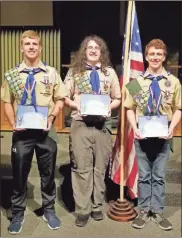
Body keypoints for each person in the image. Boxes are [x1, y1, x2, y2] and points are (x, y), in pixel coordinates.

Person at [1, 30, 68, 234]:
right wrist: (13, 123)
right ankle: (18, 212)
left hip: (46, 132)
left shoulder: (51, 73)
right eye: (27, 44)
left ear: (40, 47)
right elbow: (6, 102)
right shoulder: (12, 74)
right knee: (20, 175)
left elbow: (60, 99)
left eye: (35, 44)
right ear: (21, 48)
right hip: (22, 133)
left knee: (48, 175)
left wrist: (51, 117)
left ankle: (49, 210)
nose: (31, 47)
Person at [124, 39, 181, 231]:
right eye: (152, 54)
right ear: (146, 57)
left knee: (158, 176)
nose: (155, 57)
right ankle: (143, 211)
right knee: (144, 176)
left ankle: (157, 211)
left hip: (163, 138)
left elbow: (178, 108)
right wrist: (135, 127)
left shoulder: (173, 82)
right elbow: (130, 109)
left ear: (164, 57)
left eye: (159, 54)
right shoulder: (136, 84)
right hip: (142, 136)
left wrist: (172, 127)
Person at [64, 35, 121, 227]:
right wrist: (76, 105)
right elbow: (65, 96)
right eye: (90, 47)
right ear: (84, 51)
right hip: (80, 124)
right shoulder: (75, 72)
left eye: (97, 47)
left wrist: (109, 108)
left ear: (102, 51)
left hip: (102, 125)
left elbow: (117, 98)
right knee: (81, 166)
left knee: (100, 167)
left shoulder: (110, 73)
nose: (94, 50)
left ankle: (97, 206)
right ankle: (83, 209)